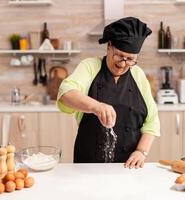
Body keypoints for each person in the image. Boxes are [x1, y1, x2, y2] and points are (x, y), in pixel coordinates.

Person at [57, 17, 160, 169]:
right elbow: (65, 94)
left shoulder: (138, 74)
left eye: (130, 59)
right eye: (118, 55)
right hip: (88, 167)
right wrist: (95, 106)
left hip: (128, 167)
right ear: (109, 46)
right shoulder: (90, 67)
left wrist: (141, 151)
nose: (123, 64)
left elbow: (151, 121)